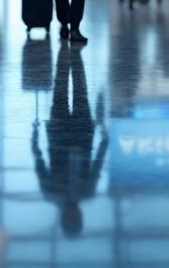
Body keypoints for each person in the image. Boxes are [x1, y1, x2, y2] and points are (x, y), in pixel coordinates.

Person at [32, 44, 108, 238]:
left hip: (59, 135)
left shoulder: (51, 192)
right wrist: (103, 139)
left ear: (64, 218)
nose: (74, 214)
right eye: (77, 218)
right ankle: (73, 55)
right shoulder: (87, 191)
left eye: (71, 218)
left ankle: (66, 54)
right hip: (83, 135)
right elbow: (96, 166)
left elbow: (40, 164)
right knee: (79, 89)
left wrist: (34, 139)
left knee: (61, 88)